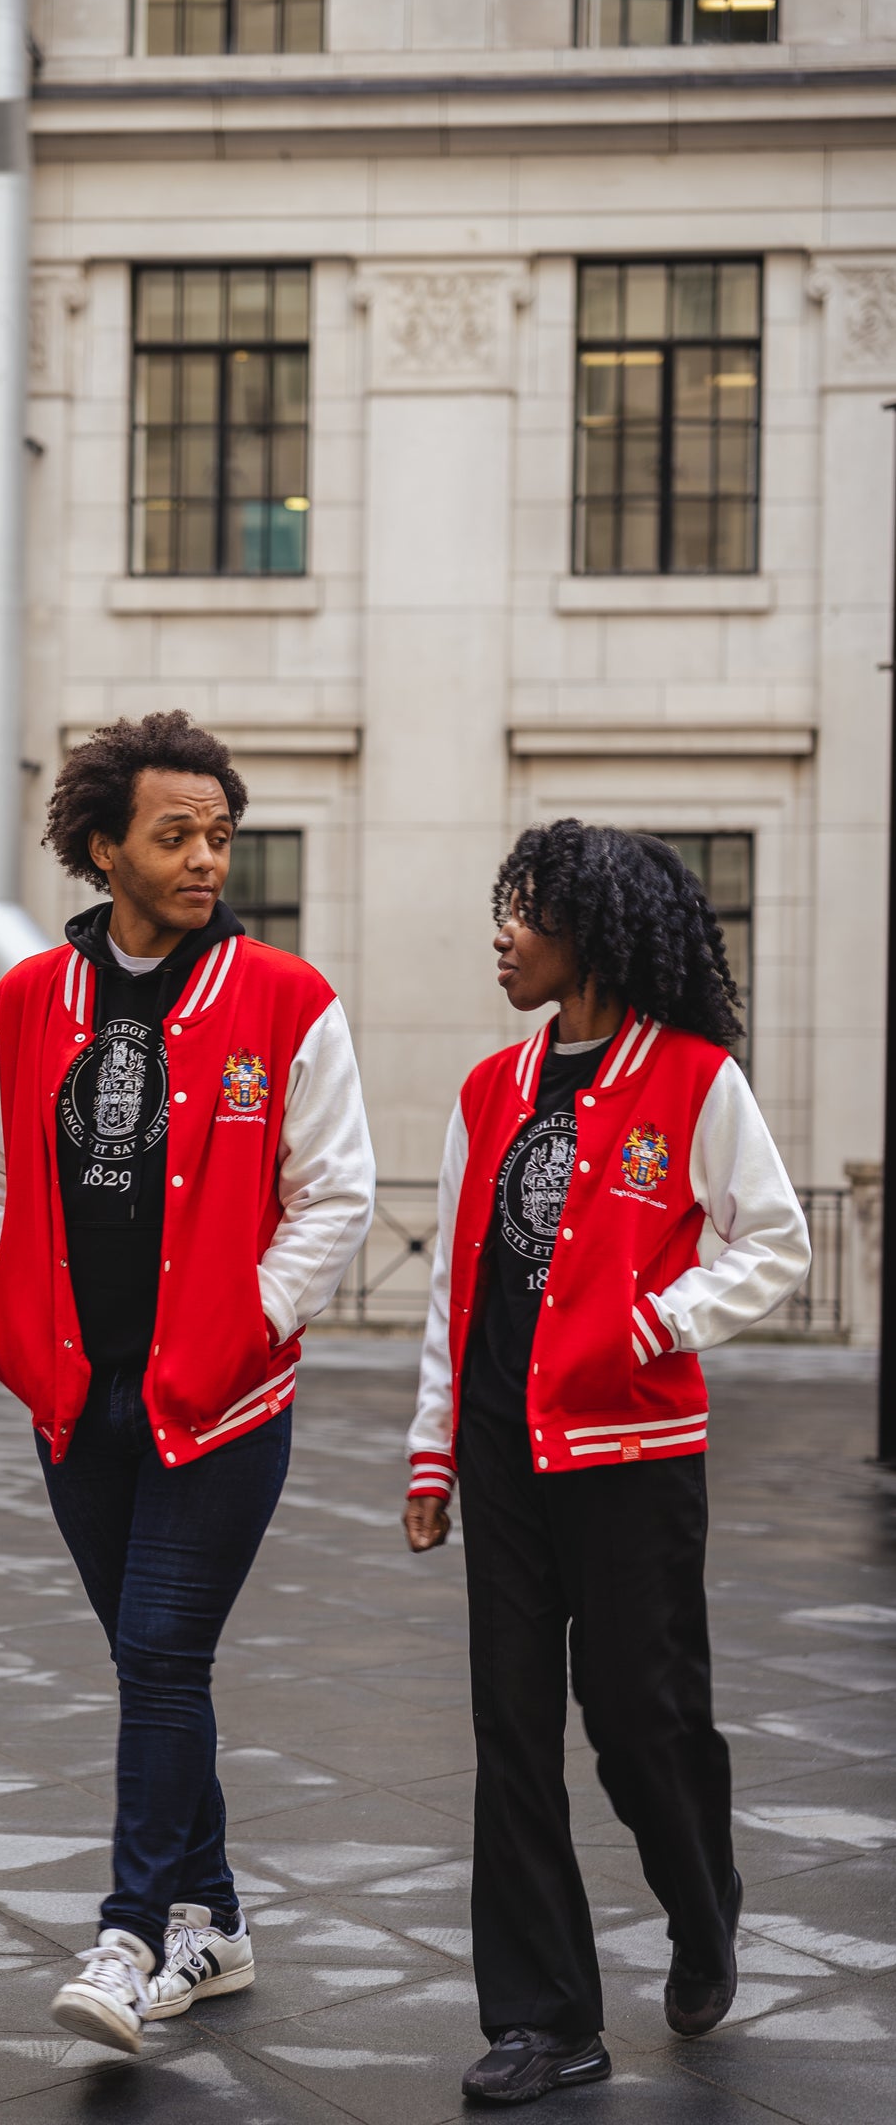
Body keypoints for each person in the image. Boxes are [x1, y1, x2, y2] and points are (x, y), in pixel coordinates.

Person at [0, 709, 376, 2056]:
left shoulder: (284, 1000)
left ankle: (132, 1938)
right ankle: (219, 1921)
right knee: (151, 1670)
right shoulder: (24, 1003)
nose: (205, 860)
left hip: (223, 1400)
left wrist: (250, 1316)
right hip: (75, 1398)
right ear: (101, 848)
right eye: (175, 835)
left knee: (158, 1657)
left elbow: (337, 1193)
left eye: (218, 836)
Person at [403, 820, 810, 2108]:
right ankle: (547, 2020)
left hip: (634, 1457)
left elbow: (777, 1242)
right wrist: (432, 1451)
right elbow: (453, 1286)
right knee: (512, 1735)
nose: (502, 935)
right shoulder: (486, 1091)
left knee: (639, 1721)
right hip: (505, 1453)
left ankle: (702, 1898)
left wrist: (661, 1315)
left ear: (591, 930)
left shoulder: (694, 1079)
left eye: (525, 912)